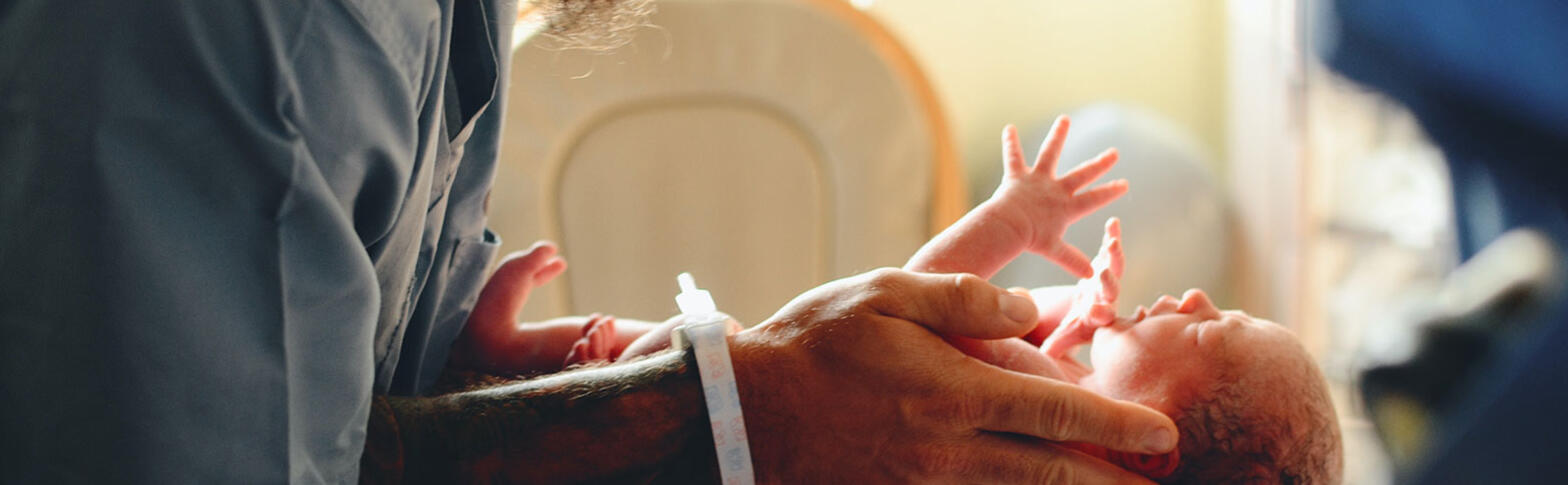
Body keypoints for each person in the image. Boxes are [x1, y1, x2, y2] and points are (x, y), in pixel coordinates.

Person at [0, 1, 1178, 483]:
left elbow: (342, 407)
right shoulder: (278, 37)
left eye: (1198, 328)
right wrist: (704, 412)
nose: (1157, 307)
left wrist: (463, 369)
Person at [450, 116, 1127, 377]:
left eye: (1208, 330)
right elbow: (1016, 314)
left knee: (700, 351)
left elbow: (919, 305)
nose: (1188, 299)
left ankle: (511, 356)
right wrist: (1075, 307)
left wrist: (1012, 222)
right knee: (705, 345)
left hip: (748, 450)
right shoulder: (1077, 377)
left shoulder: (1070, 423)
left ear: (1158, 449)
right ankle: (511, 351)